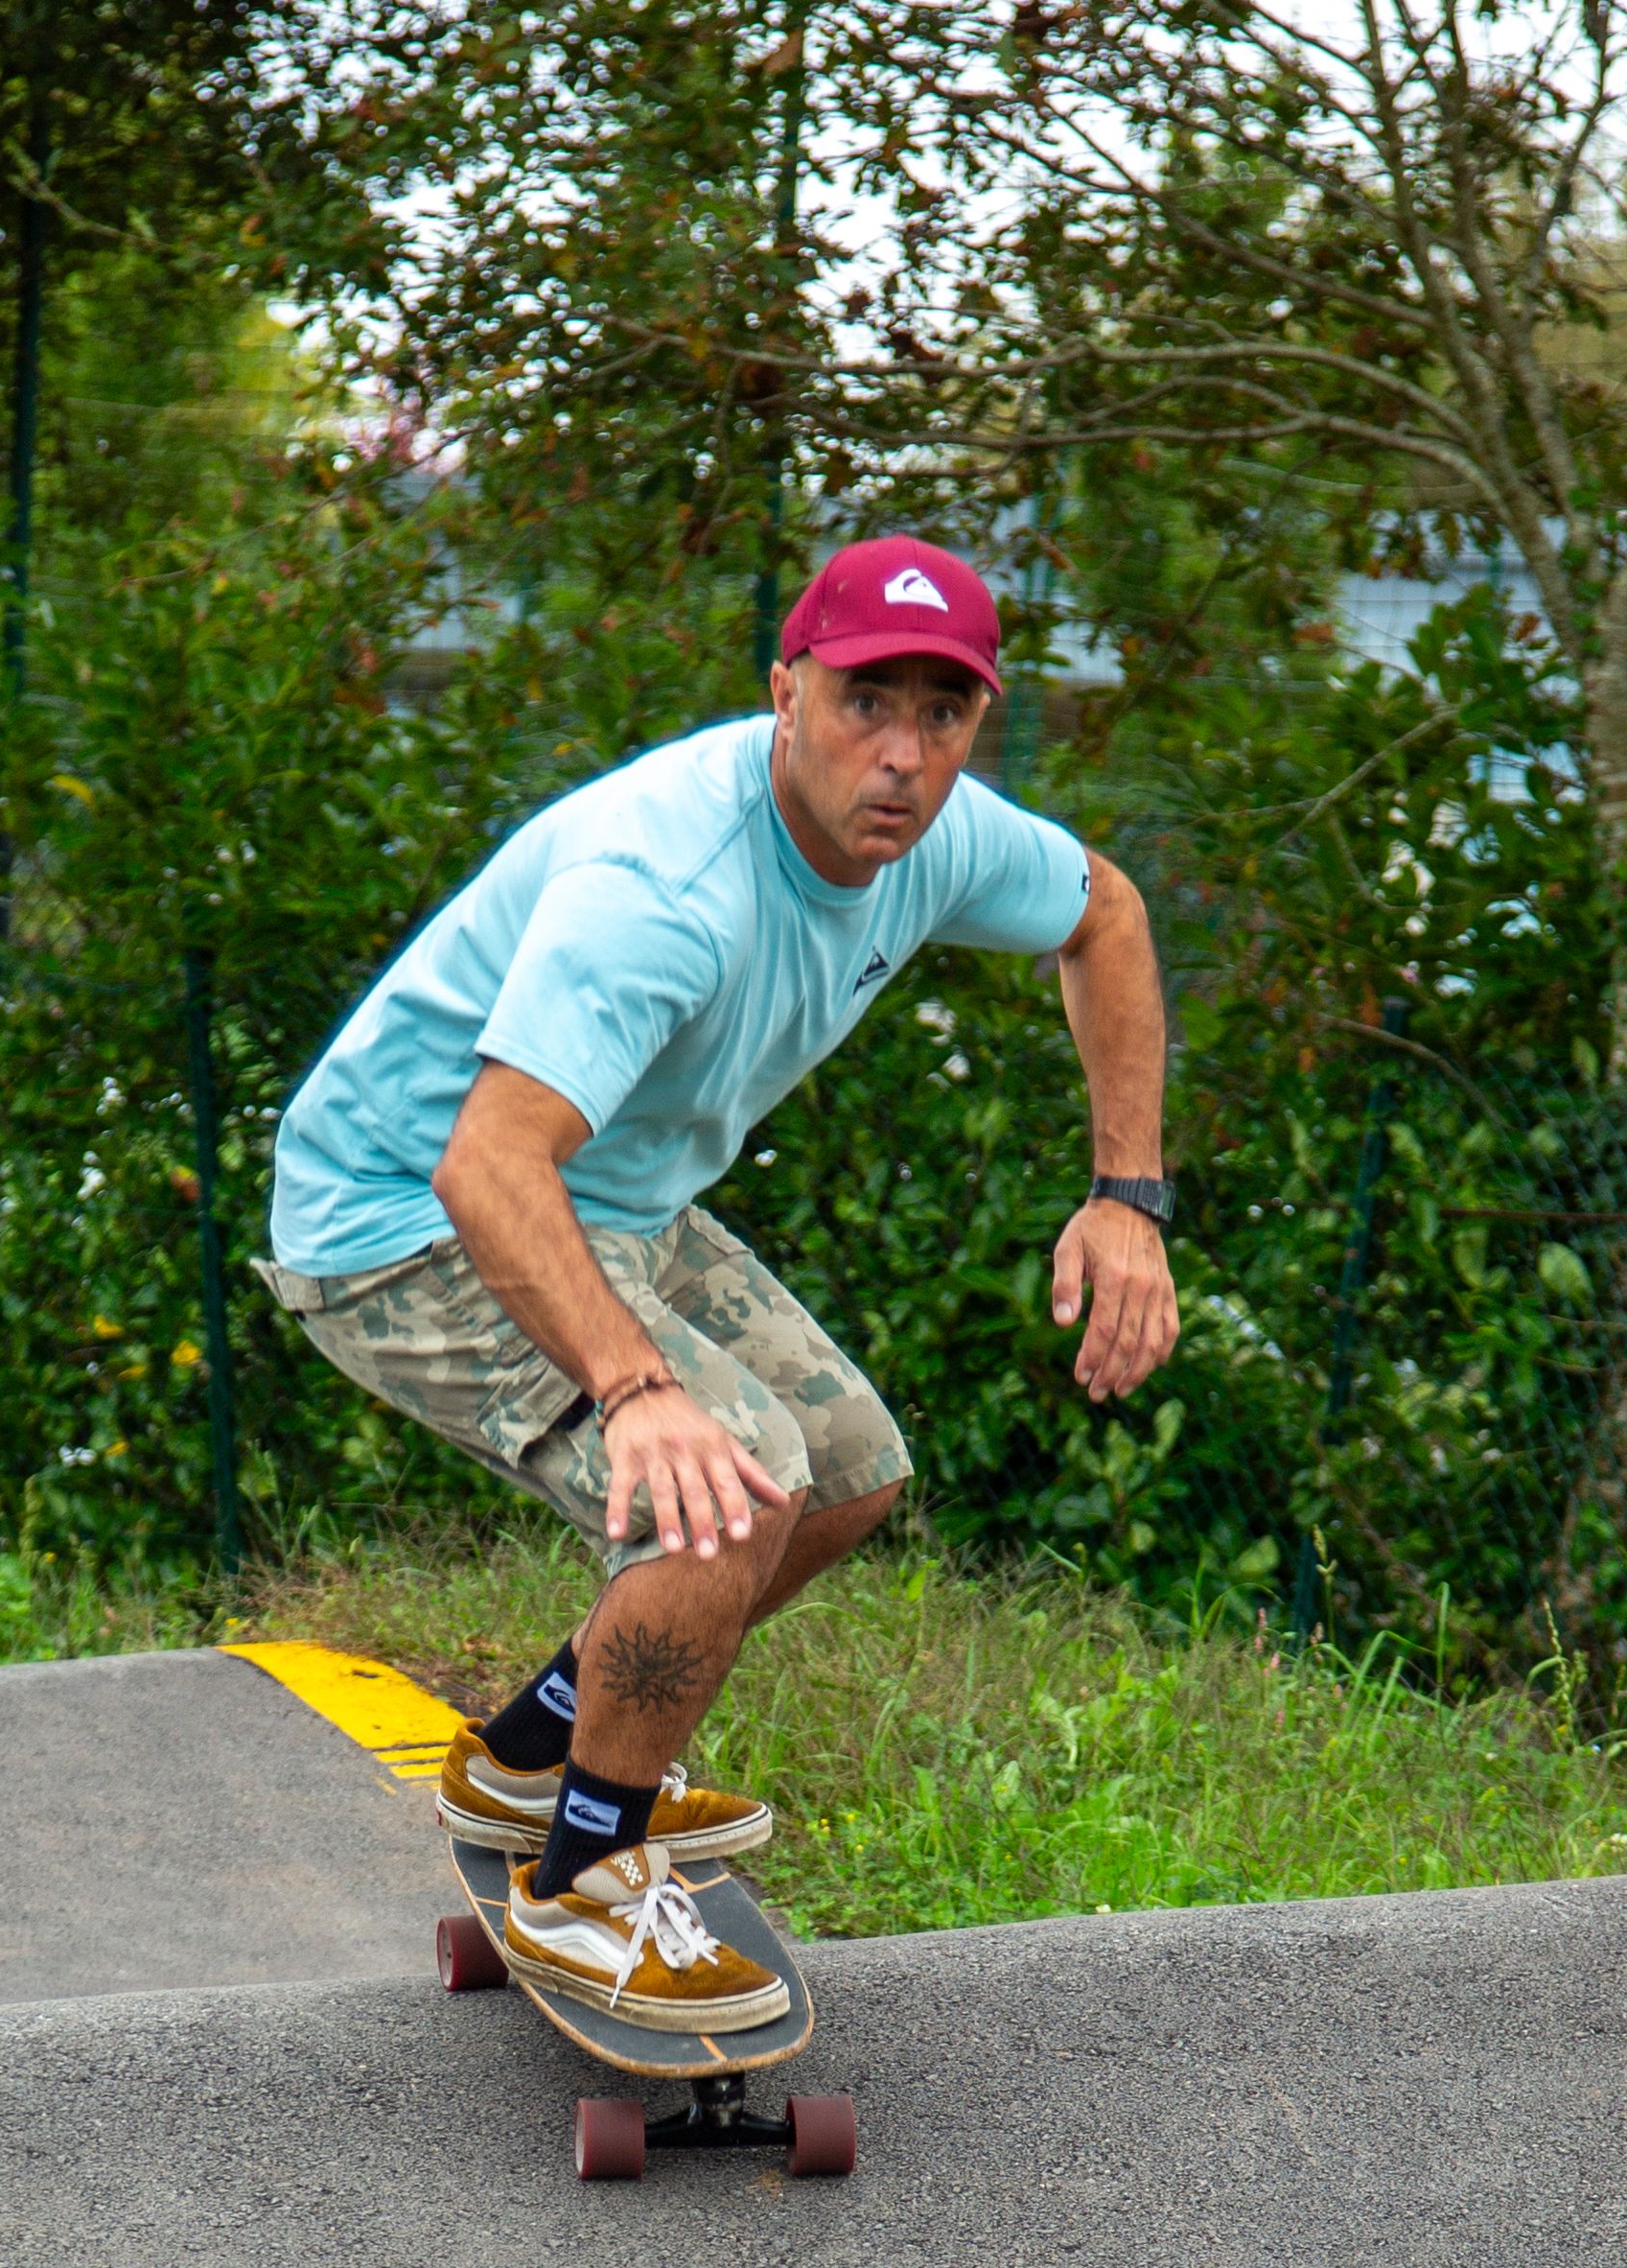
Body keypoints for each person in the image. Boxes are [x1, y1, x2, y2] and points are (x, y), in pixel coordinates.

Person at [259, 533, 1179, 2030]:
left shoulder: (938, 836)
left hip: (612, 1196)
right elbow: (486, 1166)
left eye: (942, 717)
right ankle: (588, 1881)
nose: (901, 756)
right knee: (727, 1493)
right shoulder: (664, 884)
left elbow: (1109, 915)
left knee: (848, 1482)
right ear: (784, 694)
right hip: (401, 1219)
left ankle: (536, 1754)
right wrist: (636, 1392)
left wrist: (1126, 1197)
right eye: (863, 704)